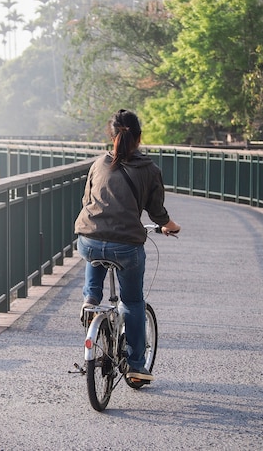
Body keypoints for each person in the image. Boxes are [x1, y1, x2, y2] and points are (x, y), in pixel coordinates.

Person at [74, 109, 180, 385]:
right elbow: (157, 212)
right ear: (139, 137)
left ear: (110, 136)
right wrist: (169, 225)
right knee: (132, 301)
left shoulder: (98, 164)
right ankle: (135, 366)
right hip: (126, 246)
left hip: (88, 239)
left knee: (95, 253)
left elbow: (87, 200)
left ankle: (90, 300)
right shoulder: (149, 170)